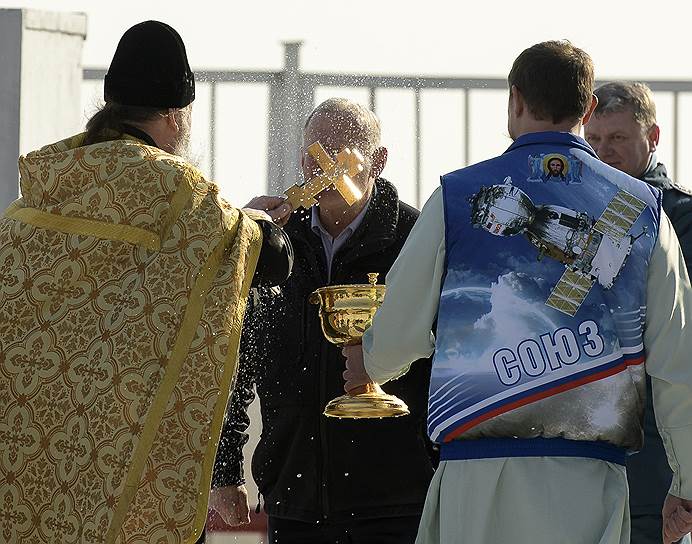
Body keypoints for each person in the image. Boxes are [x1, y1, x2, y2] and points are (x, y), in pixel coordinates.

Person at [343, 41, 692, 544]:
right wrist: (686, 479)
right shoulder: (643, 209)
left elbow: (400, 324)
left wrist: (369, 362)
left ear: (514, 99)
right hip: (591, 475)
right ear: (588, 108)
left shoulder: (458, 196)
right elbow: (678, 359)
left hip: (478, 468)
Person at [0, 21, 292, 544]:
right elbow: (272, 261)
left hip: (33, 456)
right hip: (123, 462)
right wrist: (255, 225)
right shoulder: (179, 193)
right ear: (177, 115)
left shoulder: (41, 193)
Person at [209, 98, 436, 544]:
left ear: (379, 161)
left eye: (342, 150)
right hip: (295, 493)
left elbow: (443, 358)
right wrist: (225, 467)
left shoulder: (416, 239)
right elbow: (238, 354)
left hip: (395, 496)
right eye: (315, 152)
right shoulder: (273, 244)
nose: (326, 165)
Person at [585, 81, 692, 544]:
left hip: (656, 446)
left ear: (654, 137)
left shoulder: (682, 219)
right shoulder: (569, 213)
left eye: (618, 139)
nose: (604, 152)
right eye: (594, 140)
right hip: (581, 438)